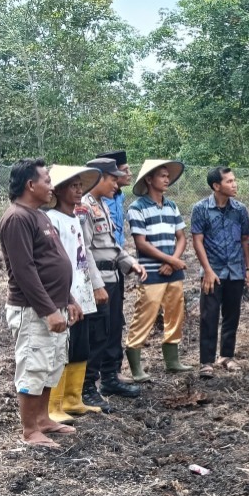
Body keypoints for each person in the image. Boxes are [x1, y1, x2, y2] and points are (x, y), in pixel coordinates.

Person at [0, 158, 83, 447]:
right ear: (30, 184)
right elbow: (24, 271)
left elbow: (55, 260)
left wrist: (68, 299)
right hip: (33, 310)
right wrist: (48, 310)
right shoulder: (17, 218)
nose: (51, 186)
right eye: (47, 180)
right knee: (33, 366)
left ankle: (44, 419)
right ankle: (29, 430)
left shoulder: (40, 215)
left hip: (54, 305)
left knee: (51, 364)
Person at [80, 158, 145, 411]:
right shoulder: (84, 207)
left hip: (113, 278)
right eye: (113, 178)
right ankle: (88, 387)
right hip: (99, 282)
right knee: (97, 334)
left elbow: (110, 243)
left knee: (113, 329)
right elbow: (84, 250)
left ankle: (109, 378)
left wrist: (130, 262)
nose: (117, 183)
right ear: (98, 177)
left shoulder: (102, 205)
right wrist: (96, 285)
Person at [125, 159, 193, 380]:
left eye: (167, 176)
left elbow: (181, 237)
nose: (166, 179)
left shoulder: (172, 206)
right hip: (150, 271)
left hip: (172, 269)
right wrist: (171, 260)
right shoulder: (137, 208)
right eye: (162, 176)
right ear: (149, 179)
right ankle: (136, 367)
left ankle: (172, 361)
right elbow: (141, 243)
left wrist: (172, 261)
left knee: (175, 313)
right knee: (145, 314)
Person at [45, 165, 103, 422]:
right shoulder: (52, 219)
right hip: (66, 294)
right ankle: (54, 405)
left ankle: (73, 398)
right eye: (73, 185)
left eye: (80, 185)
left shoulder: (76, 218)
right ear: (58, 190)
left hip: (83, 289)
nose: (79, 190)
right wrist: (65, 295)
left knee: (81, 346)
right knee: (63, 350)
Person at [191, 167, 249, 378]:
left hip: (236, 271)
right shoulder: (200, 209)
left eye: (235, 180)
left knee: (232, 315)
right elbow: (197, 241)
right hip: (213, 272)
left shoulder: (240, 210)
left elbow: (245, 240)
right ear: (216, 186)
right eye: (229, 181)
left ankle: (227, 356)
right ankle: (206, 362)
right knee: (209, 316)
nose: (234, 185)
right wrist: (207, 270)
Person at [96, 150, 134, 385]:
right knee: (104, 320)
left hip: (117, 263)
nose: (127, 174)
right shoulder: (96, 203)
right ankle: (103, 372)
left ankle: (113, 369)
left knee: (116, 318)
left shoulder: (118, 197)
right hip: (101, 268)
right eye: (123, 170)